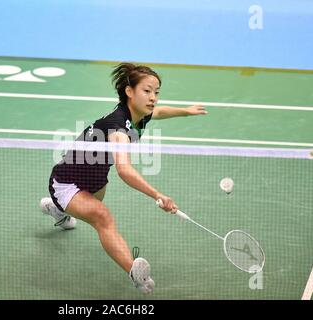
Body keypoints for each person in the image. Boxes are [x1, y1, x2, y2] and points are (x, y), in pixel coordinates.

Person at [40, 63, 207, 294]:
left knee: (94, 208)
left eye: (156, 92)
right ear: (130, 92)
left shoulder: (140, 115)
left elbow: (157, 113)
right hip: (66, 183)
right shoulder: (118, 127)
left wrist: (186, 111)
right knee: (102, 217)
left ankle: (58, 211)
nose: (153, 98)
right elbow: (125, 170)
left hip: (96, 180)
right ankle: (134, 272)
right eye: (147, 91)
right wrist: (158, 195)